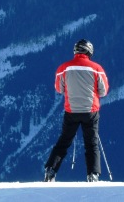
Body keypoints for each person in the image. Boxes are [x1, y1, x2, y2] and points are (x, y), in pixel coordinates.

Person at [44, 39, 109, 182]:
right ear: (89, 51)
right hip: (90, 111)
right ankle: (93, 174)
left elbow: (59, 89)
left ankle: (50, 170)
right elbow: (103, 91)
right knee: (91, 143)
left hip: (71, 111)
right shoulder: (97, 68)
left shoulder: (64, 68)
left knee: (64, 142)